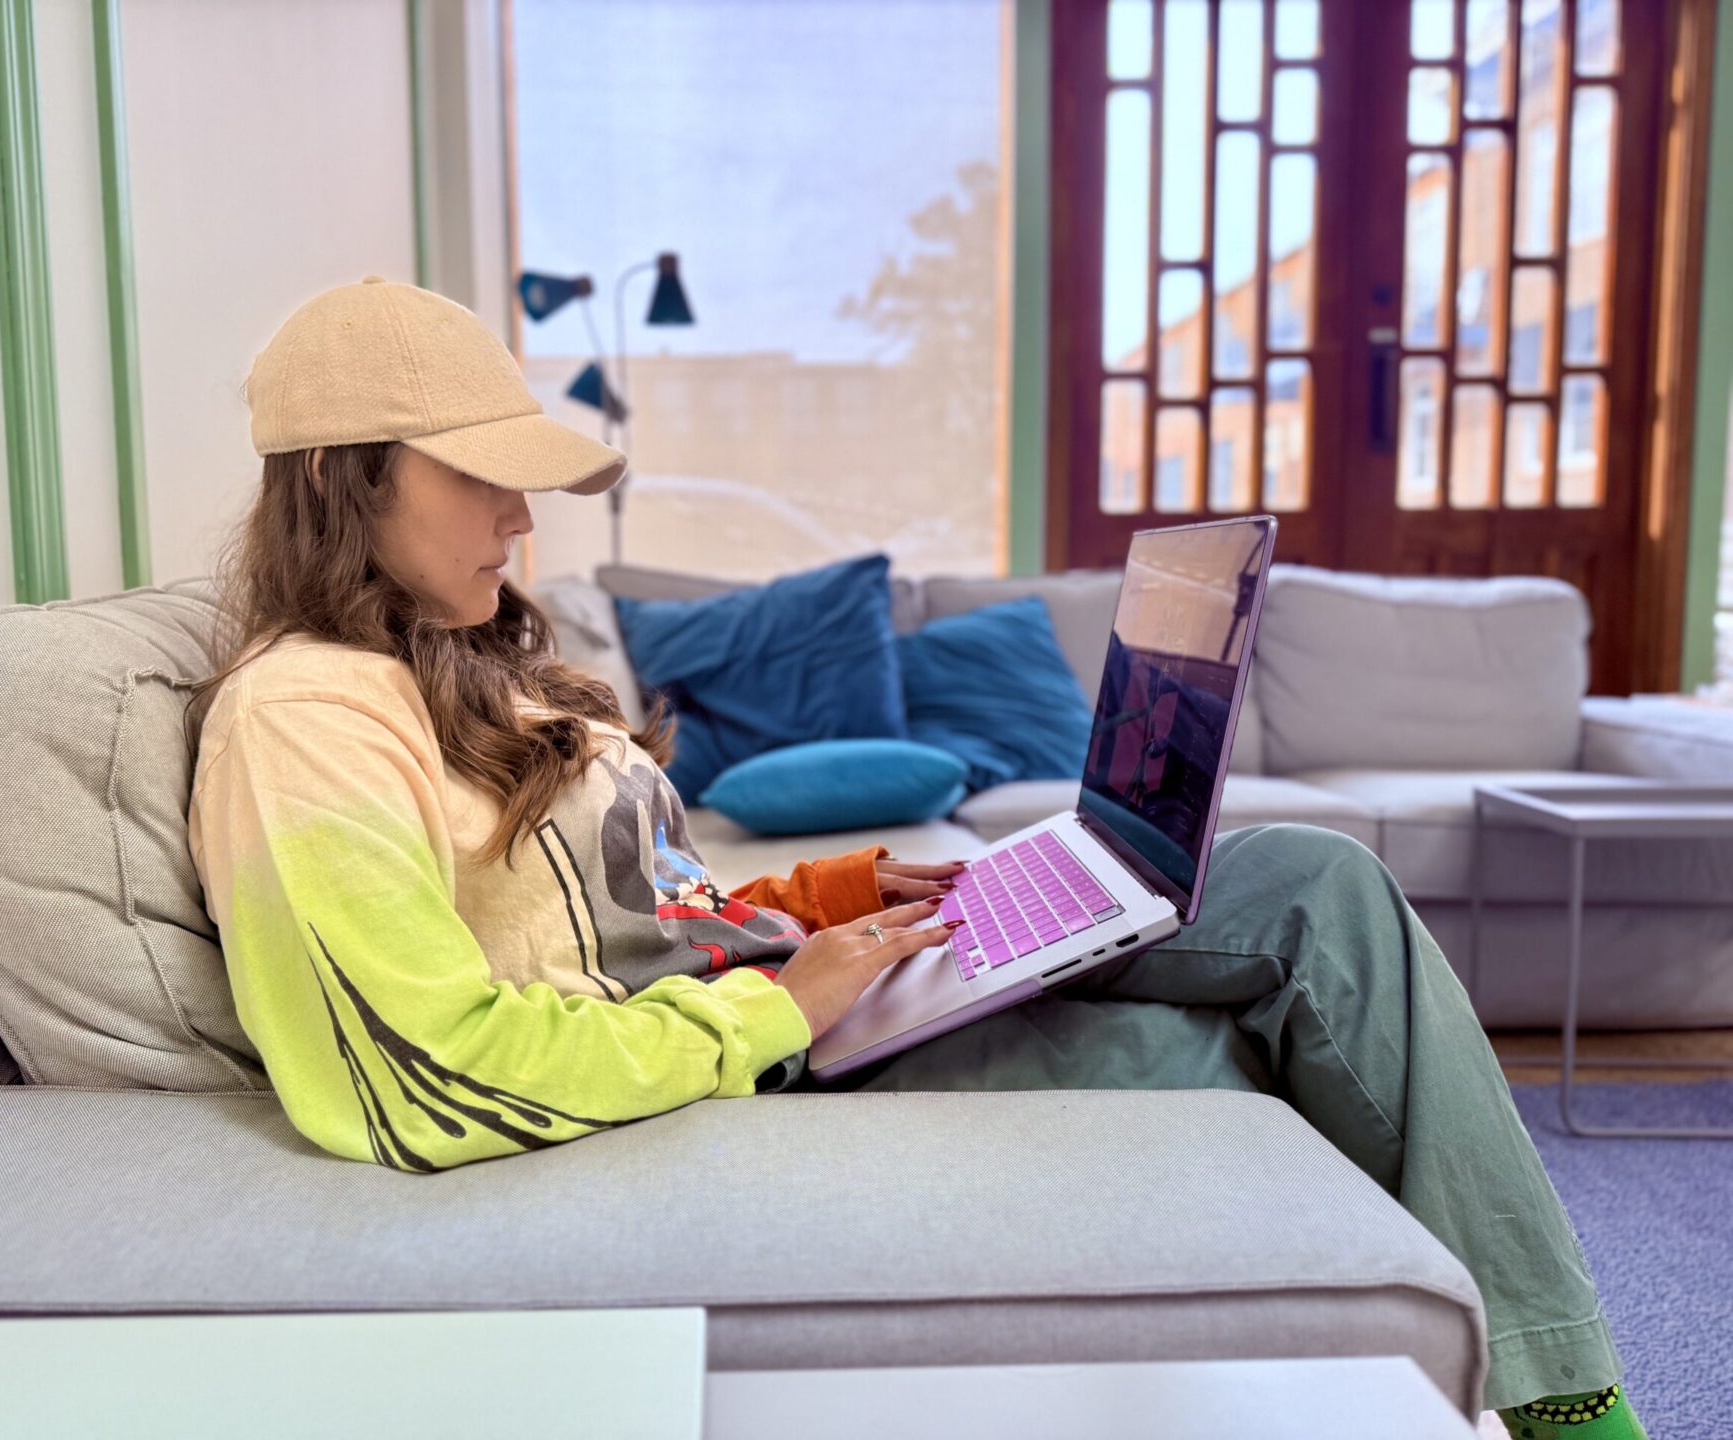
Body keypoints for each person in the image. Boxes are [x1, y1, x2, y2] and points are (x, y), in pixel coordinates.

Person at [185, 278, 1641, 1439]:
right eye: (481, 478)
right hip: (765, 1072)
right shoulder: (300, 719)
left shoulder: (443, 659)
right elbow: (427, 1071)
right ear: (341, 477)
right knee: (1232, 1074)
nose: (521, 518)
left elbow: (624, 919)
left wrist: (818, 905)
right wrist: (784, 1007)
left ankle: (1555, 1397)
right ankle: (1529, 1400)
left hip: (790, 1004)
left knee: (1320, 883)